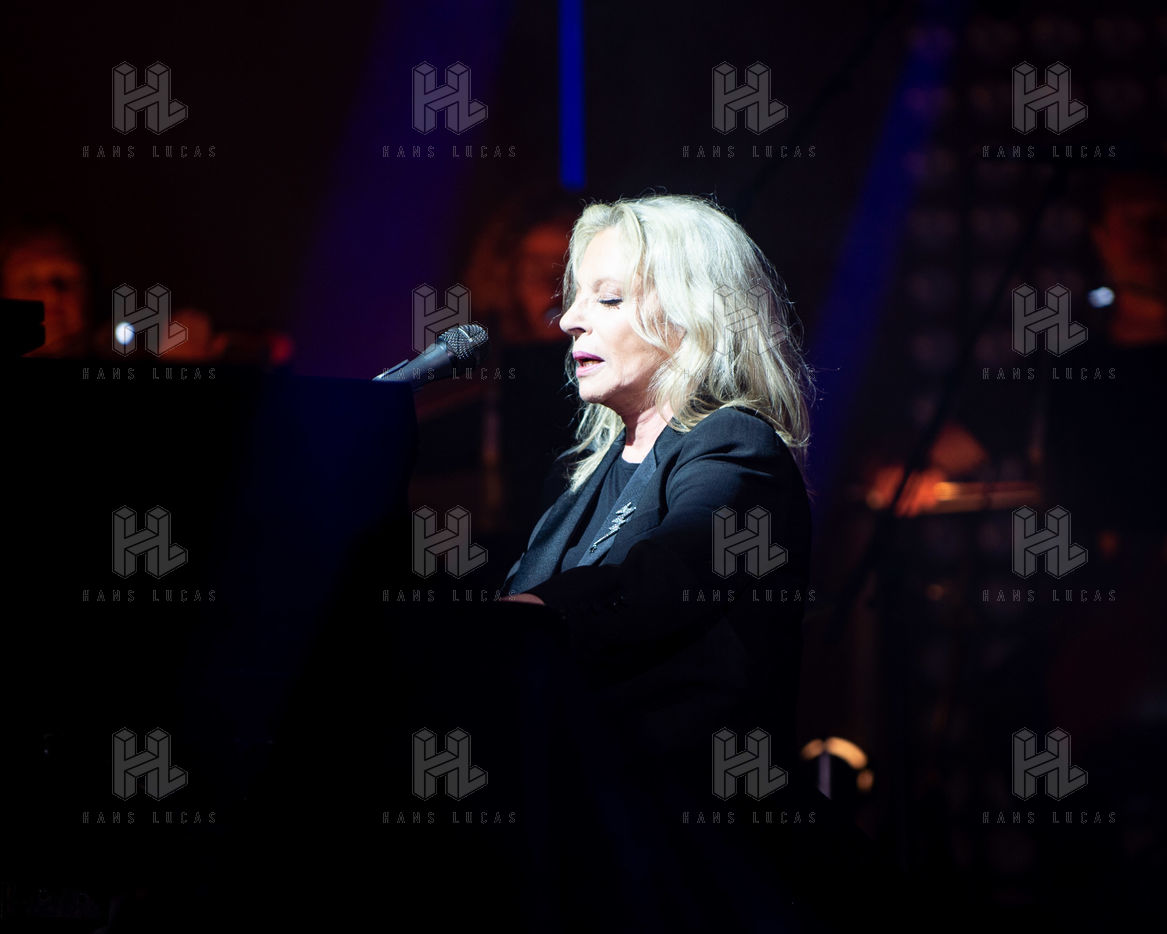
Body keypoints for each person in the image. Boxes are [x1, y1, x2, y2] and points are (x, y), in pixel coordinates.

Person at [497, 194, 821, 927]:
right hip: (581, 841)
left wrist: (525, 616)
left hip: (689, 859)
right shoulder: (581, 479)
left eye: (607, 298)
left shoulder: (734, 446)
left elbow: (666, 577)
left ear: (692, 314)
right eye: (575, 297)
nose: (569, 319)